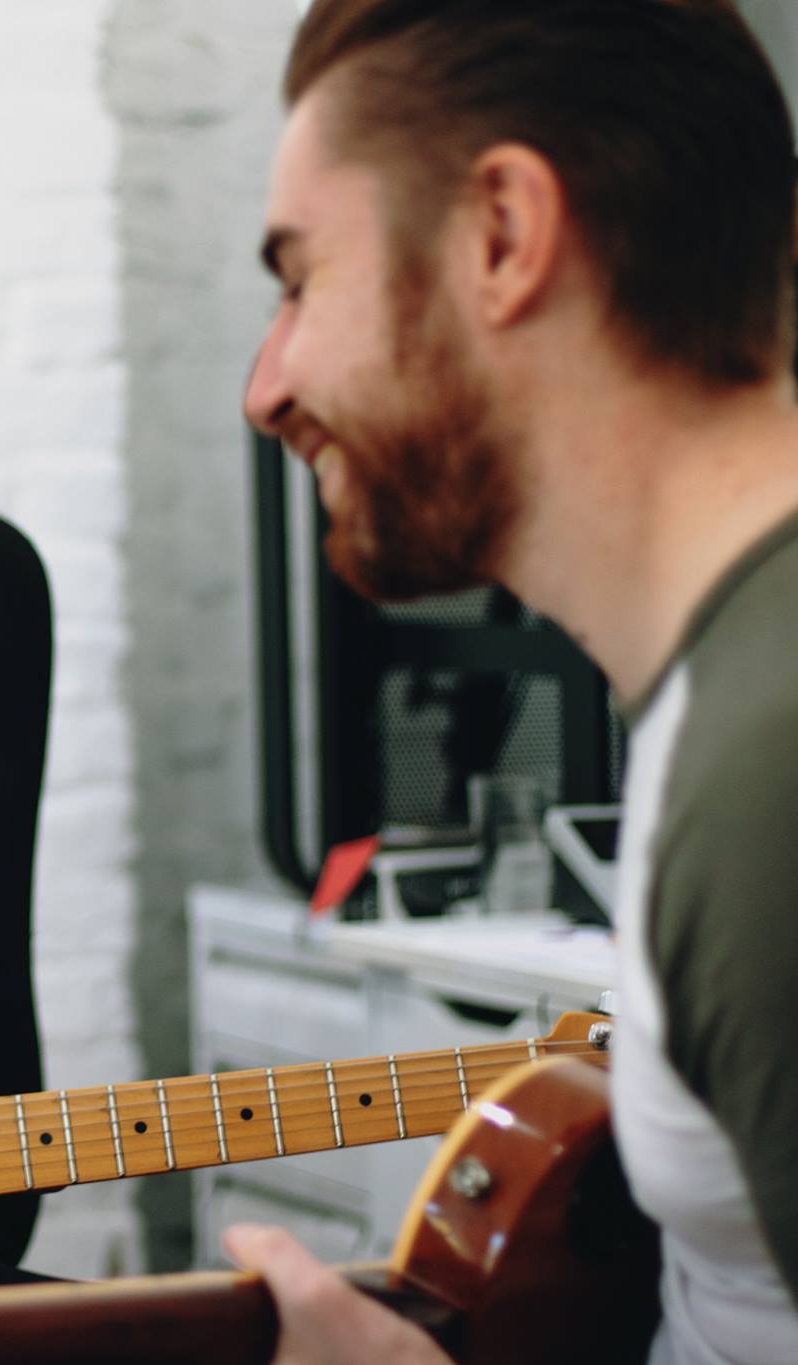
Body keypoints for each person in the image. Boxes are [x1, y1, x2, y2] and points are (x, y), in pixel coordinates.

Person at [229, 1, 798, 1361]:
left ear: (502, 236)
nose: (268, 384)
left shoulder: (769, 770)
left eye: (301, 281)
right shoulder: (711, 710)